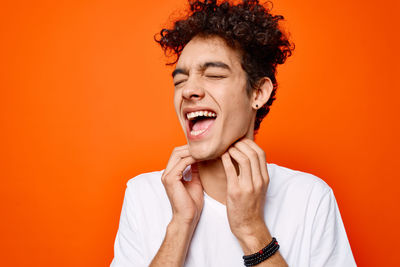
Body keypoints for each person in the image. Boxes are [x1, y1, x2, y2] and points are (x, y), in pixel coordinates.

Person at [111, 0, 356, 266]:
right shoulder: (142, 194)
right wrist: (181, 224)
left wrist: (252, 229)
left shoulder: (310, 198)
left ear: (258, 93)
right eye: (180, 80)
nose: (188, 90)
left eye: (214, 75)